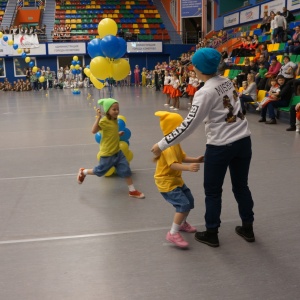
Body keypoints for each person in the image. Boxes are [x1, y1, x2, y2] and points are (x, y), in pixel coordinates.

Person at [151, 48, 255, 247]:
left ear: (198, 68)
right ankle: (248, 228)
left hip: (220, 146)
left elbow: (188, 125)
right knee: (241, 186)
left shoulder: (204, 92)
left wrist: (162, 144)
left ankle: (212, 233)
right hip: (243, 141)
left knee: (213, 192)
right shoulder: (226, 81)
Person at [154, 111, 204, 248]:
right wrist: (188, 168)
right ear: (173, 130)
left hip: (175, 180)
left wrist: (196, 160)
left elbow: (181, 158)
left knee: (189, 201)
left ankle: (182, 224)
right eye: (180, 127)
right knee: (183, 205)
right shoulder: (168, 146)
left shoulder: (175, 143)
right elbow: (173, 164)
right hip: (166, 182)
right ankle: (173, 233)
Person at [77, 98, 145, 199]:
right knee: (99, 171)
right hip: (107, 154)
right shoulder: (104, 121)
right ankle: (84, 172)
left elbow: (110, 132)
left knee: (126, 170)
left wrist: (117, 134)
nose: (117, 111)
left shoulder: (115, 120)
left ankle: (132, 190)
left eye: (118, 109)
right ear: (108, 110)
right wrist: (98, 118)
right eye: (114, 109)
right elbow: (93, 131)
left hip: (118, 152)